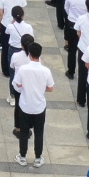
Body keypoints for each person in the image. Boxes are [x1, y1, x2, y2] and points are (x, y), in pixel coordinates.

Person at [11, 37, 53, 166]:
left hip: (25, 105)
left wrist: (25, 87)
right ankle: (38, 158)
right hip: (39, 106)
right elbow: (50, 88)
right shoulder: (46, 71)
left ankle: (22, 156)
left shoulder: (23, 69)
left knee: (24, 132)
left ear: (29, 54)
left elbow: (17, 84)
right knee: (39, 133)